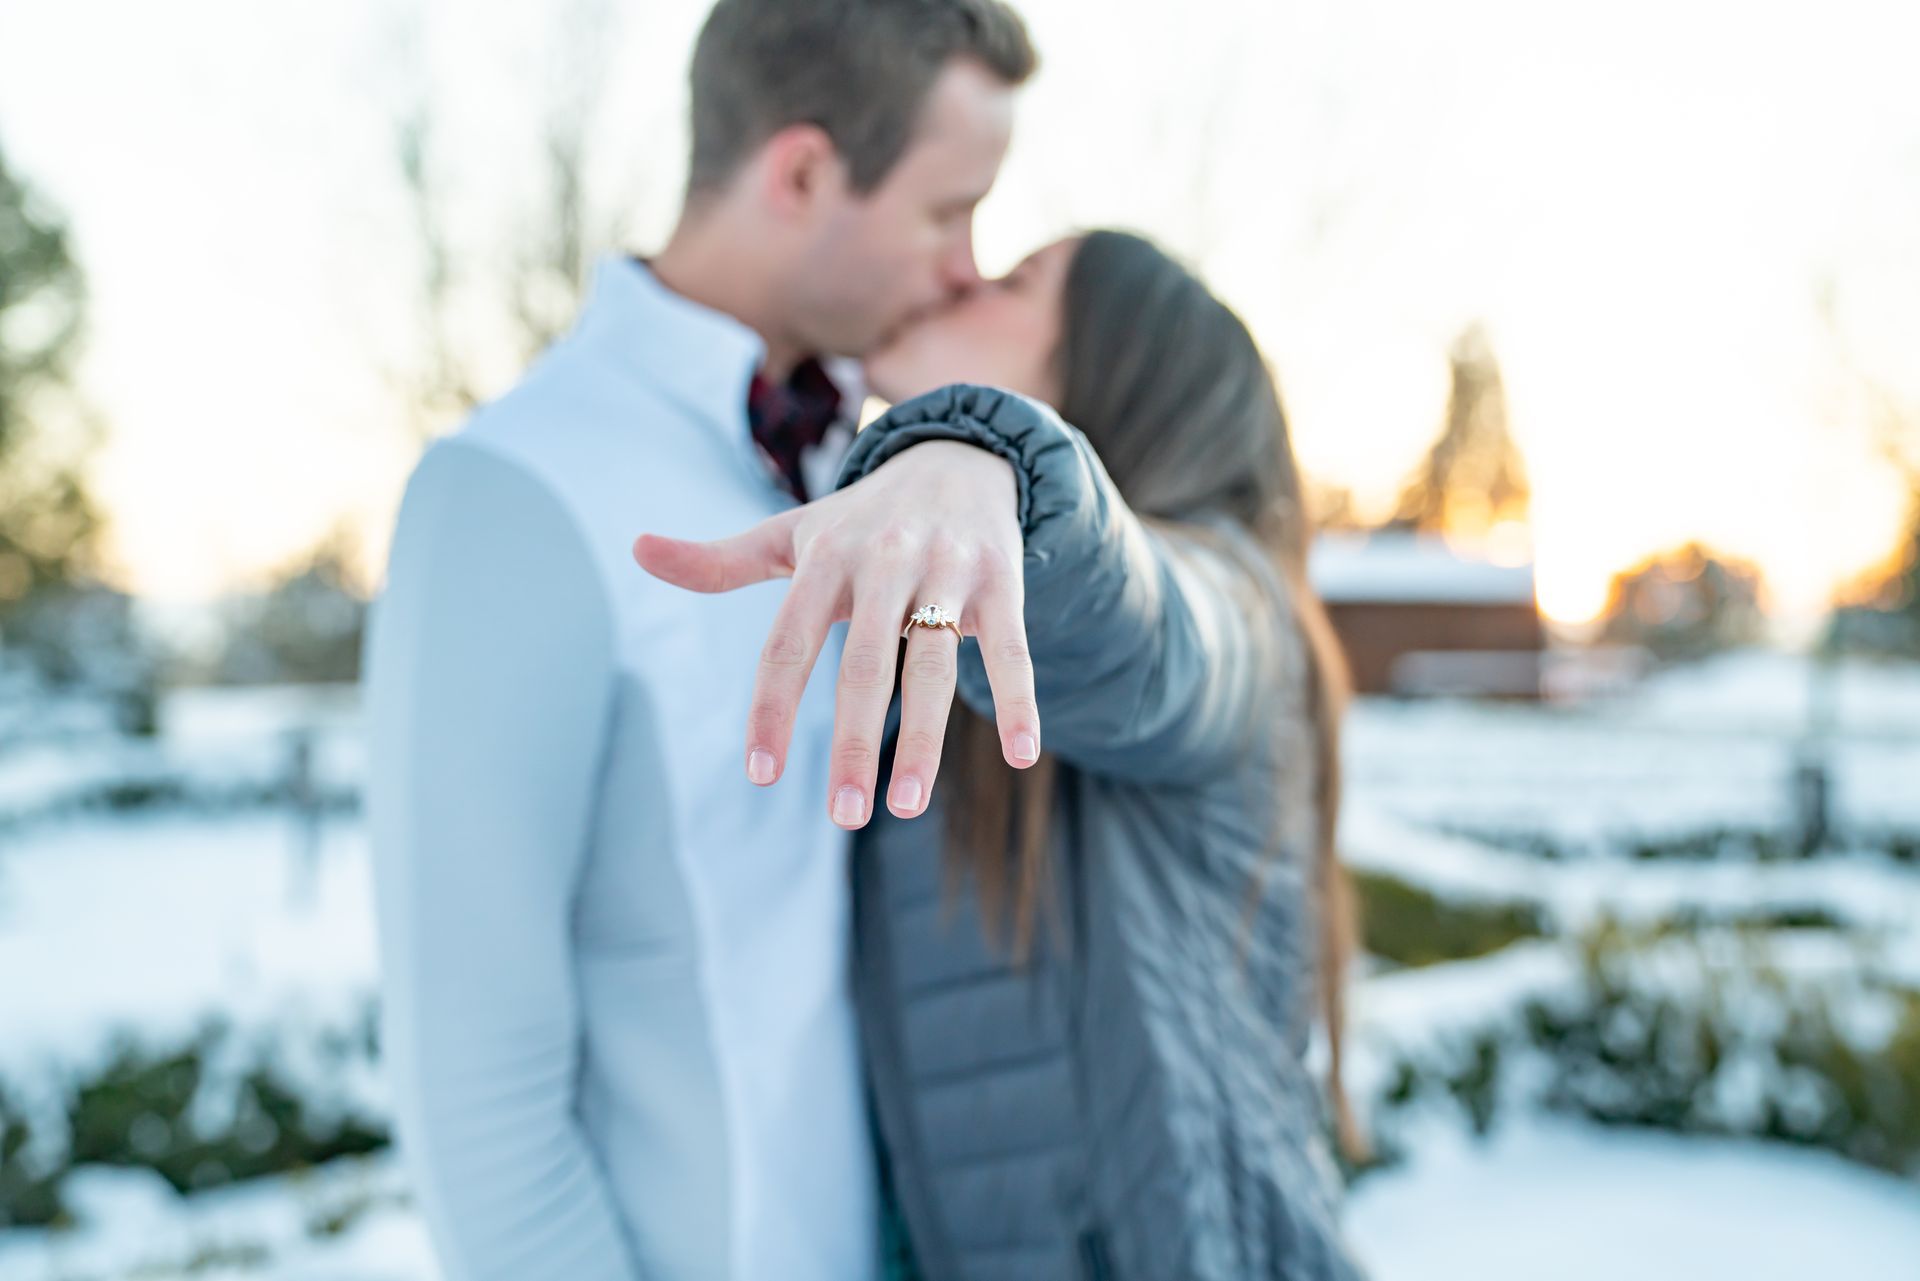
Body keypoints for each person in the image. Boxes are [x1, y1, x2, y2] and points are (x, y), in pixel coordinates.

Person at [361, 3, 1037, 1278]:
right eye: (949, 211)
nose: (966, 265)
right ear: (801, 173)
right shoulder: (513, 491)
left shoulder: (882, 467)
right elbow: (475, 1089)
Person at [634, 231, 1372, 1279]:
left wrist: (982, 456)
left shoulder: (1238, 612)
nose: (964, 275)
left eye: (1018, 281)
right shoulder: (932, 657)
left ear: (1111, 371)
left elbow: (1144, 622)